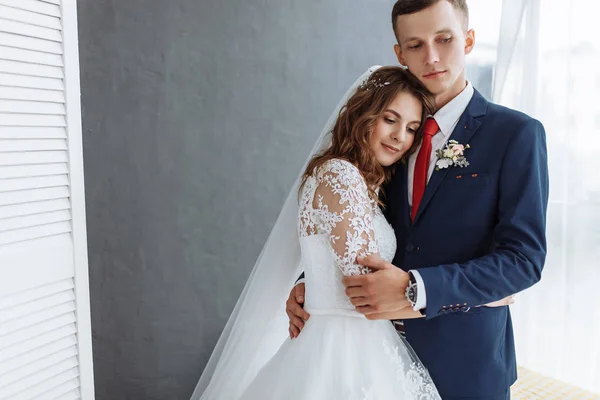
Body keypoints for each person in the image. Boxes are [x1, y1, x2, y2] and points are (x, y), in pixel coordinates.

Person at [287, 1, 549, 399]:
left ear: (469, 40)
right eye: (415, 44)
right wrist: (313, 283)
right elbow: (352, 221)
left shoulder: (516, 134)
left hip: (464, 363)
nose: (431, 57)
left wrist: (417, 288)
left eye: (444, 39)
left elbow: (523, 260)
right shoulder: (389, 135)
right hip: (370, 363)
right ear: (400, 53)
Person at [193, 66, 446, 399]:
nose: (401, 136)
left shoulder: (361, 181)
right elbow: (364, 284)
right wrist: (462, 300)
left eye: (412, 128)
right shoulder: (341, 175)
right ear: (364, 115)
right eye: (390, 119)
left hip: (355, 340)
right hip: (341, 349)